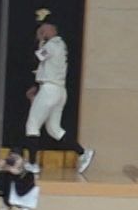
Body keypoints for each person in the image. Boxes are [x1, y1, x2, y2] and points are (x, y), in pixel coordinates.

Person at [23, 22, 95, 175]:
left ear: (53, 31)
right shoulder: (60, 45)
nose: (42, 32)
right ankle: (82, 152)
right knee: (54, 129)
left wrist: (40, 40)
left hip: (50, 89)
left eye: (45, 30)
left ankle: (32, 164)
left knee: (32, 125)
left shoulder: (52, 45)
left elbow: (36, 58)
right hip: (59, 90)